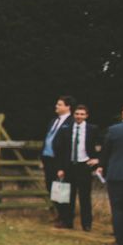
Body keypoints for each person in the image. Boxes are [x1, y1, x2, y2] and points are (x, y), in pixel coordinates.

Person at [54, 104, 99, 231]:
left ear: (86, 116)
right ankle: (68, 222)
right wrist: (60, 168)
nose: (79, 116)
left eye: (82, 114)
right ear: (74, 115)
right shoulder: (66, 129)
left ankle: (87, 224)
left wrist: (97, 159)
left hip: (84, 165)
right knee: (68, 195)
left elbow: (103, 145)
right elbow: (60, 150)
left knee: (85, 196)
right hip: (69, 166)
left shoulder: (92, 129)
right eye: (77, 114)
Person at [41, 96, 75, 227]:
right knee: (51, 188)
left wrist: (63, 167)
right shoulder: (53, 121)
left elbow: (68, 147)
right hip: (48, 159)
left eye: (60, 104)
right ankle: (60, 215)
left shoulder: (71, 123)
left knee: (63, 190)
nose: (56, 106)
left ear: (68, 107)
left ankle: (67, 219)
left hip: (60, 161)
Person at [97, 103, 123, 245]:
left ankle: (120, 240)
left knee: (118, 208)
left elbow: (106, 152)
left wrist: (101, 166)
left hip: (117, 174)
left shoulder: (114, 130)